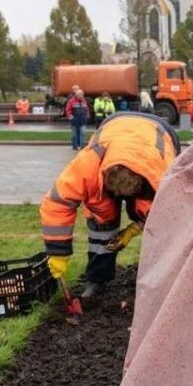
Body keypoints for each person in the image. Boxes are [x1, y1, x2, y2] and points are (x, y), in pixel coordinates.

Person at [41, 112, 181, 298]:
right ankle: (97, 279)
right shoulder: (88, 166)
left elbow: (169, 214)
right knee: (101, 225)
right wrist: (57, 251)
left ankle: (160, 283)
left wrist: (133, 230)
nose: (116, 197)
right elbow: (57, 203)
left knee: (161, 231)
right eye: (113, 193)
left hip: (160, 133)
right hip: (113, 128)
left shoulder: (163, 176)